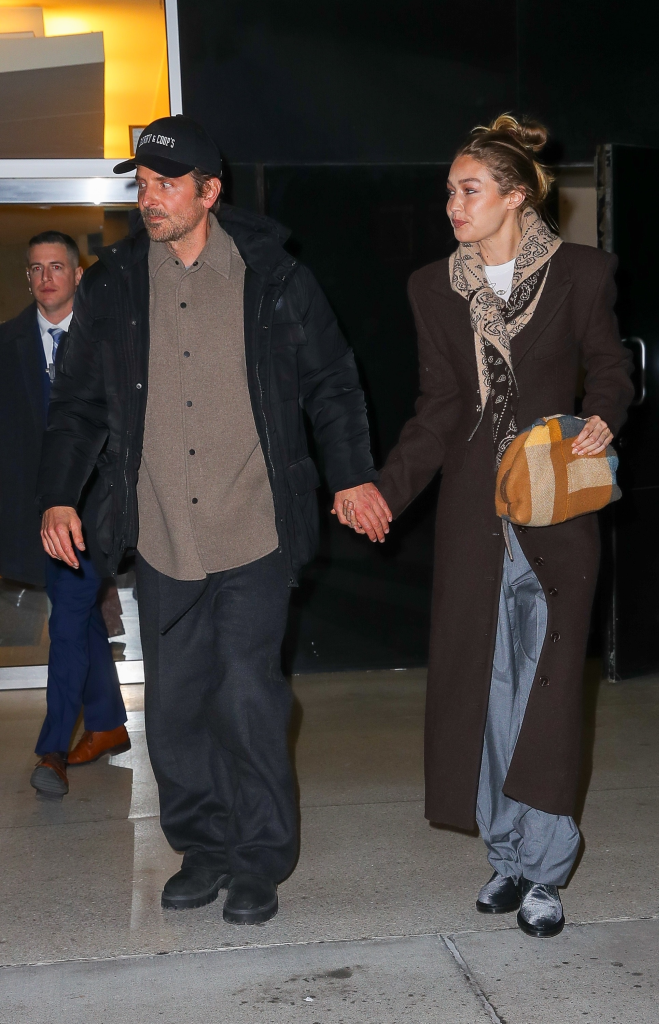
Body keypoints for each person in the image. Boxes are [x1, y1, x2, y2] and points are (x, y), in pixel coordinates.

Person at [38, 115, 389, 925]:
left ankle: (260, 858)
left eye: (165, 185)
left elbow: (332, 382)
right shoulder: (117, 282)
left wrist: (350, 478)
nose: (148, 199)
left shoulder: (273, 276)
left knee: (247, 694)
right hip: (160, 529)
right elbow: (80, 404)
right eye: (142, 185)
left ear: (210, 192)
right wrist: (59, 494)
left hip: (253, 524)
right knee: (176, 704)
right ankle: (201, 848)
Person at [348, 115, 633, 937]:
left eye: (467, 189)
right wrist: (385, 489)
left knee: (545, 693)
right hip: (475, 515)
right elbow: (438, 410)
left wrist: (604, 415)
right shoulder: (431, 288)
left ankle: (545, 872)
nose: (451, 204)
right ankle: (505, 856)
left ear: (514, 196)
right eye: (447, 191)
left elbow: (609, 366)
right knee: (485, 690)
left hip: (555, 503)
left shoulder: (582, 273)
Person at [0, 231, 129, 799]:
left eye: (57, 266)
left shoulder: (113, 340)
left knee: (70, 617)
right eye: (35, 269)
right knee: (78, 619)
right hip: (40, 511)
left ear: (78, 275)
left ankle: (52, 748)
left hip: (99, 511)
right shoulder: (6, 344)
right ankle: (107, 724)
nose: (45, 277)